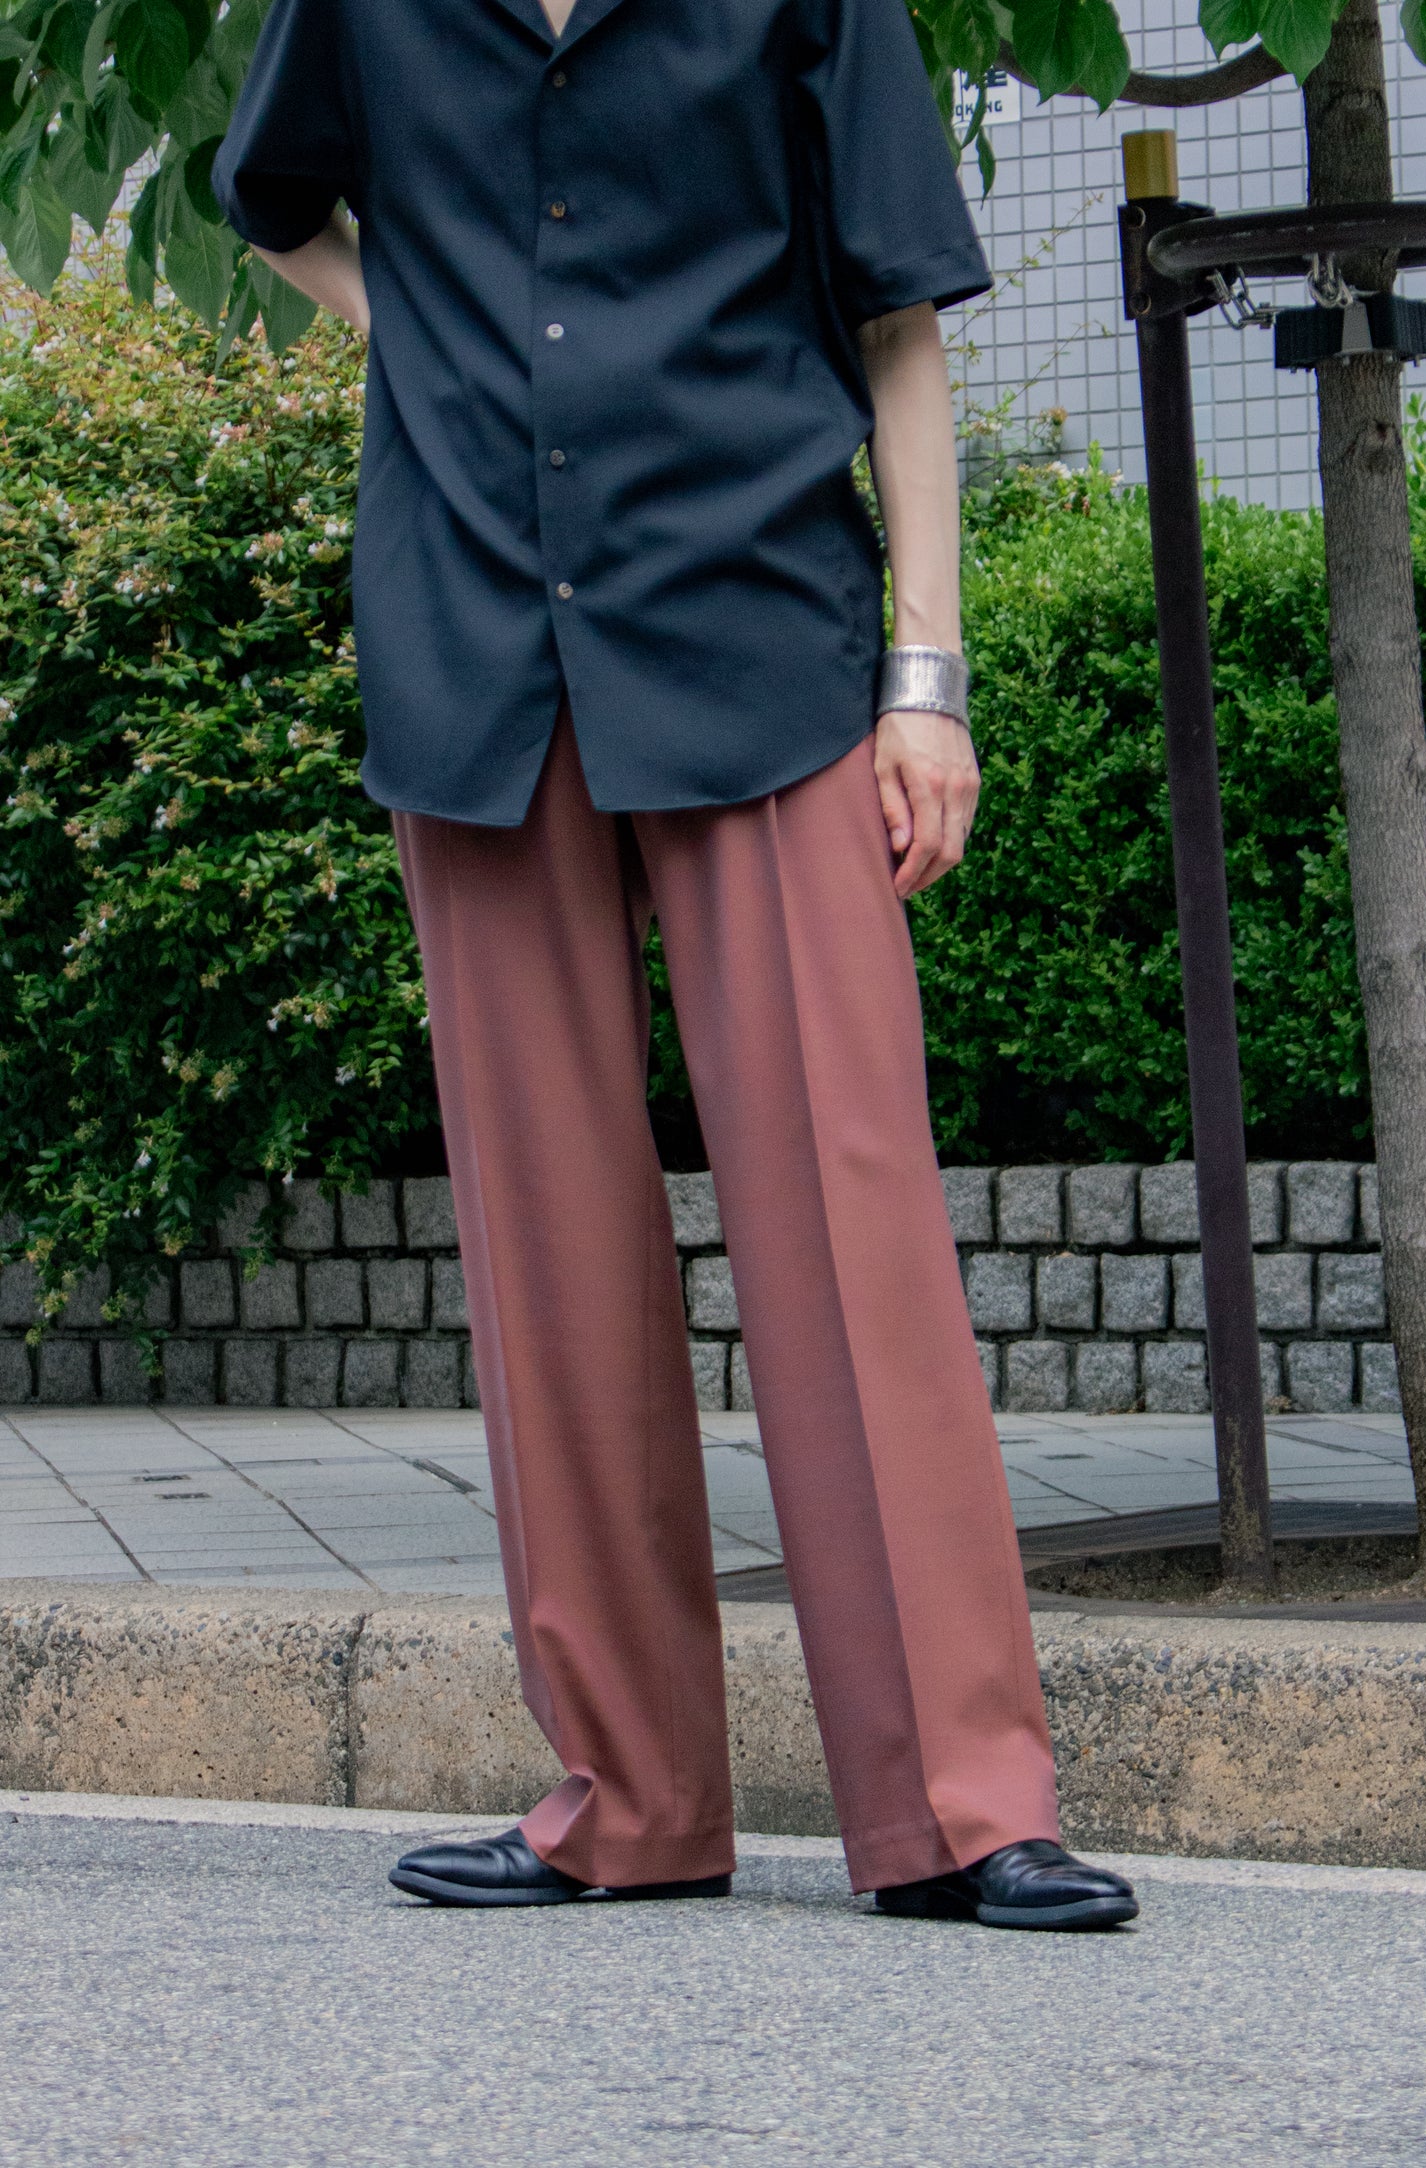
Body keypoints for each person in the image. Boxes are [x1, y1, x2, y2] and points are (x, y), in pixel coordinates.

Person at [212, 0, 1137, 1931]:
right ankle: (624, 1798)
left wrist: (926, 673)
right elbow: (274, 194)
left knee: (849, 1206)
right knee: (545, 1234)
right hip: (478, 641)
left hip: (761, 627)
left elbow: (897, 319)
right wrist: (426, 342)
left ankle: (962, 1805)